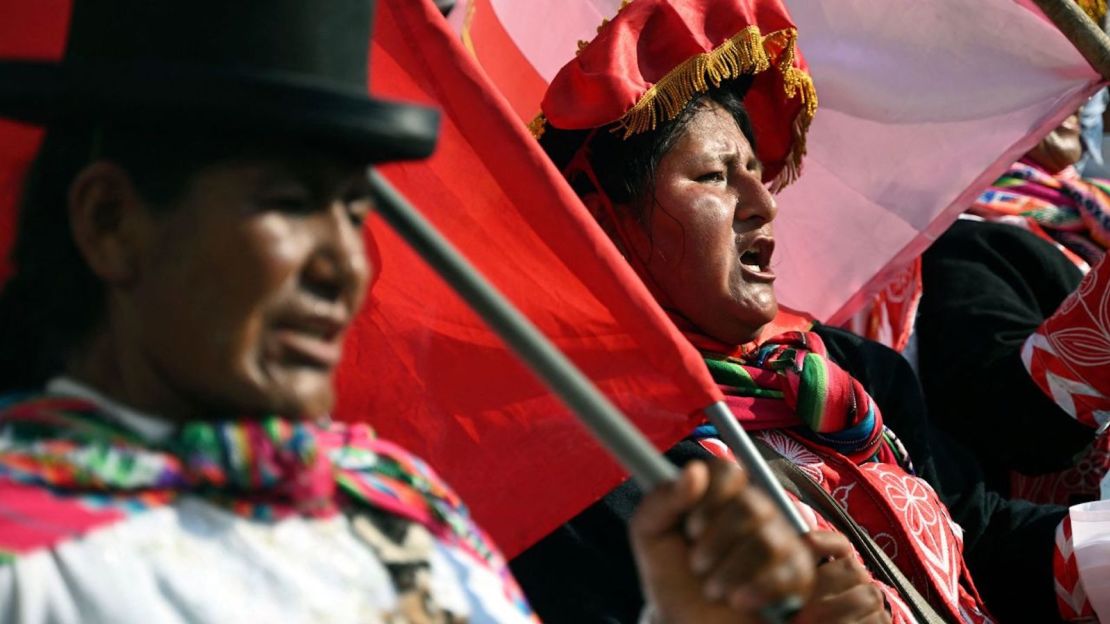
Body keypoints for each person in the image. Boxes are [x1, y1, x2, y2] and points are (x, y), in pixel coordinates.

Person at [0, 2, 820, 622]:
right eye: (289, 204)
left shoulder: (398, 506)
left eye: (356, 213)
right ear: (110, 222)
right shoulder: (27, 561)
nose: (347, 266)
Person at [509, 0, 1098, 621]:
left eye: (758, 173)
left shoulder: (844, 367)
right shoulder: (585, 458)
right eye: (713, 176)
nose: (763, 203)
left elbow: (975, 536)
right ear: (603, 226)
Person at [917, 109, 1110, 509]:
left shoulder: (1096, 214)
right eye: (1050, 85)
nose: (1078, 101)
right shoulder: (967, 237)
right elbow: (1006, 419)